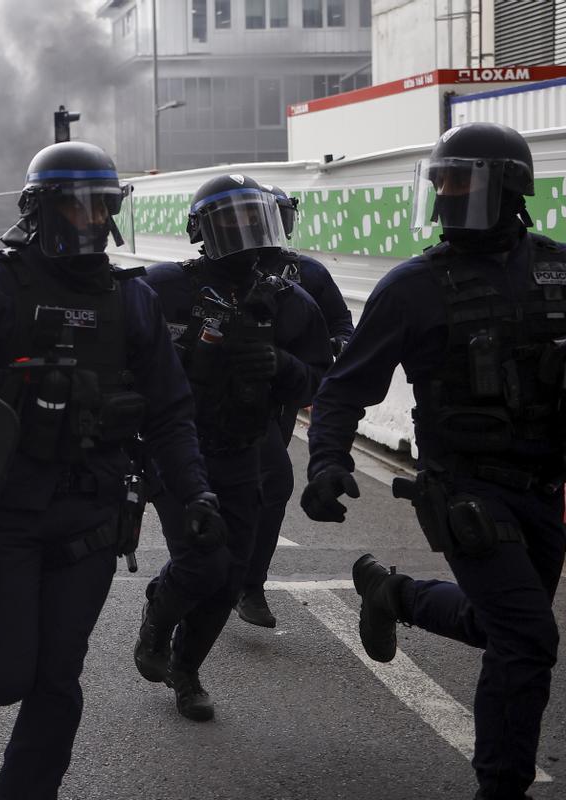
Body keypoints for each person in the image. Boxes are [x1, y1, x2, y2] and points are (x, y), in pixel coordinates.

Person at [0, 141, 222, 799]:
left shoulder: (133, 301)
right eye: (76, 207)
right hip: (1, 518)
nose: (91, 221)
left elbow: (170, 413)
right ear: (40, 211)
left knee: (58, 680)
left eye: (103, 207)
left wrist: (196, 494)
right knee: (0, 678)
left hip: (92, 520)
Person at [302, 122, 564, 800]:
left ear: (509, 189)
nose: (447, 194)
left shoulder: (556, 267)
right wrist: (327, 459)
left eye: (463, 180)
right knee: (529, 637)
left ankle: (396, 595)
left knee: (500, 623)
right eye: (440, 180)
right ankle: (500, 786)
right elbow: (345, 386)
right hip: (466, 489)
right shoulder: (414, 287)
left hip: (544, 486)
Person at [134, 173, 332, 721]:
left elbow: (321, 376)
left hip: (242, 449)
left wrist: (282, 366)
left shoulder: (291, 301)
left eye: (256, 219)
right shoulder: (161, 287)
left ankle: (186, 669)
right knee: (201, 564)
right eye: (231, 222)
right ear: (201, 231)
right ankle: (157, 619)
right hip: (175, 450)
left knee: (230, 575)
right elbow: (119, 360)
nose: (246, 234)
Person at [235, 183, 356, 628]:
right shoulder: (213, 271)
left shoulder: (307, 274)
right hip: (218, 397)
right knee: (250, 484)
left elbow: (341, 324)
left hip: (277, 399)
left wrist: (333, 346)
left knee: (266, 487)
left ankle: (247, 583)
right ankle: (206, 580)